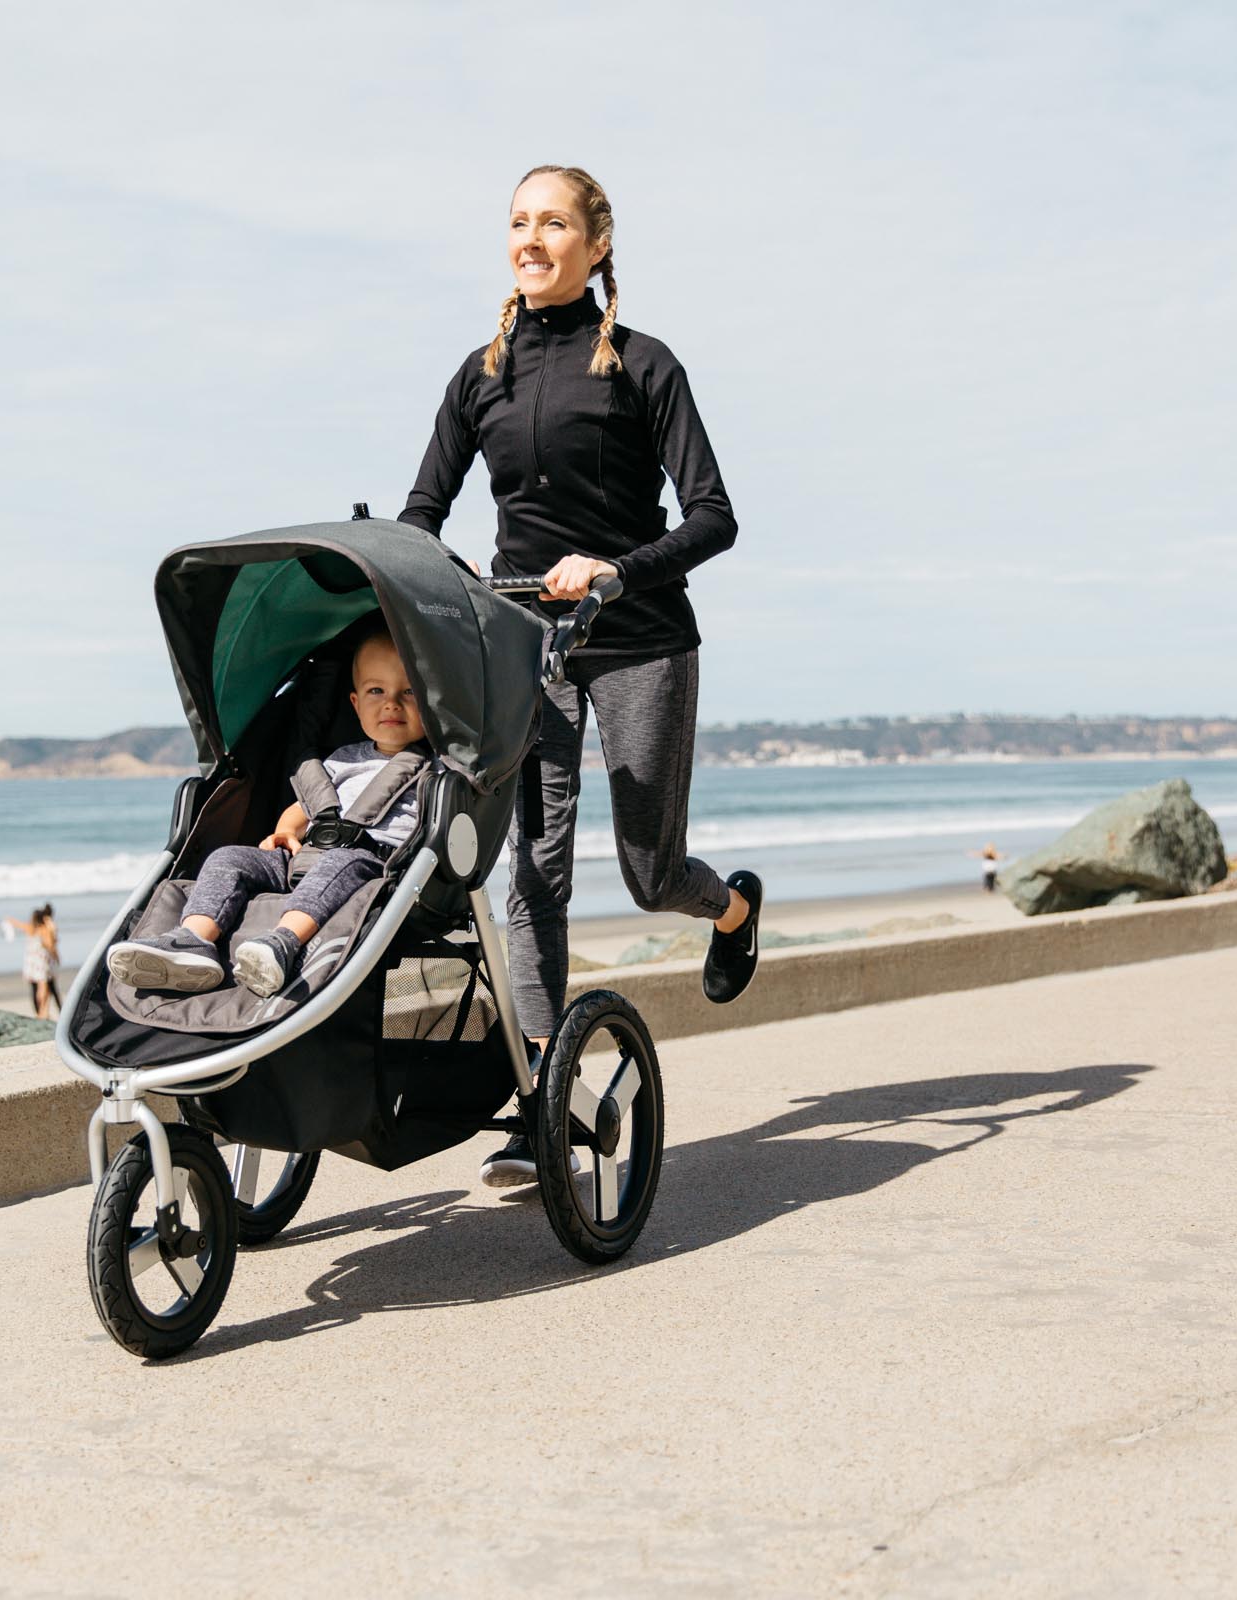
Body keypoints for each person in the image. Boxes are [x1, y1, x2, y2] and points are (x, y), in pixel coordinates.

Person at [399, 163, 762, 1187]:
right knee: (532, 873)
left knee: (653, 875)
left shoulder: (644, 365)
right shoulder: (481, 375)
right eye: (518, 221)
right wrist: (451, 574)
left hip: (641, 636)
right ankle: (541, 1106)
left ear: (596, 244)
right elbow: (423, 511)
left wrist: (614, 568)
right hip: (530, 647)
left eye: (553, 221)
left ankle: (732, 909)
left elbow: (713, 516)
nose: (531, 236)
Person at [106, 626, 427, 999]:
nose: (392, 703)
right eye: (377, 691)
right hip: (303, 859)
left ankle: (282, 942)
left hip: (371, 867)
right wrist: (284, 831)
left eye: (409, 692)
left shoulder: (434, 769)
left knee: (341, 862)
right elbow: (306, 806)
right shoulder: (341, 760)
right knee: (228, 858)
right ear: (354, 703)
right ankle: (193, 938)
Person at [1, 904, 62, 1019]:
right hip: (42, 962)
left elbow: (18, 924)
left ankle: (40, 1012)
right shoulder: (45, 930)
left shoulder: (30, 928)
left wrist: (9, 920)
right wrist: (53, 931)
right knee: (43, 987)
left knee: (38, 987)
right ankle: (43, 1012)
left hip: (31, 963)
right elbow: (50, 946)